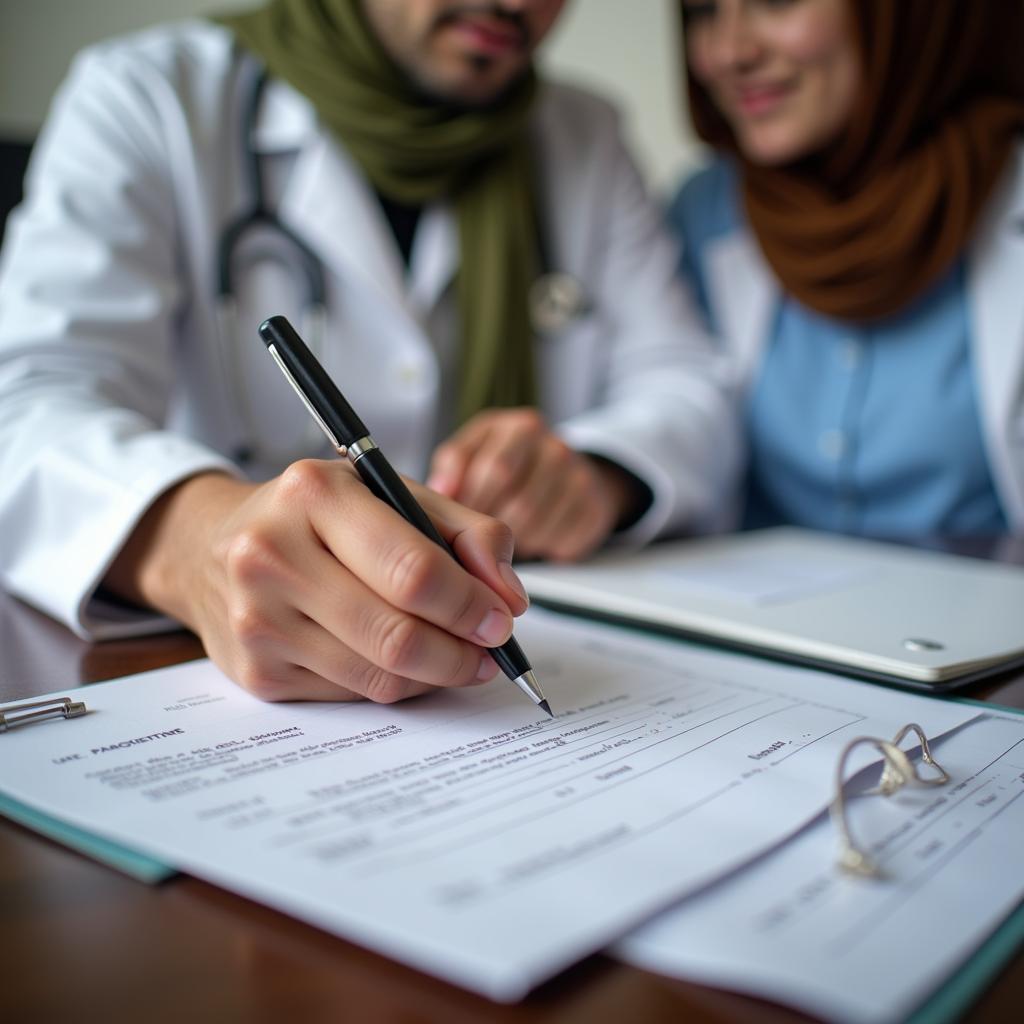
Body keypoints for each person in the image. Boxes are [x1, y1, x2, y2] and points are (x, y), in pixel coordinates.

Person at [0, 1, 737, 704]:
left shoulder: (583, 133)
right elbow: (26, 406)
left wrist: (592, 477)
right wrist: (196, 546)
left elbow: (688, 384)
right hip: (211, 669)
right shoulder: (149, 98)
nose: (519, 2)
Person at [670, 0, 1024, 536]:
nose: (729, 52)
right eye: (701, 11)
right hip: (746, 616)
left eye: (774, 3)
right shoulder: (702, 212)